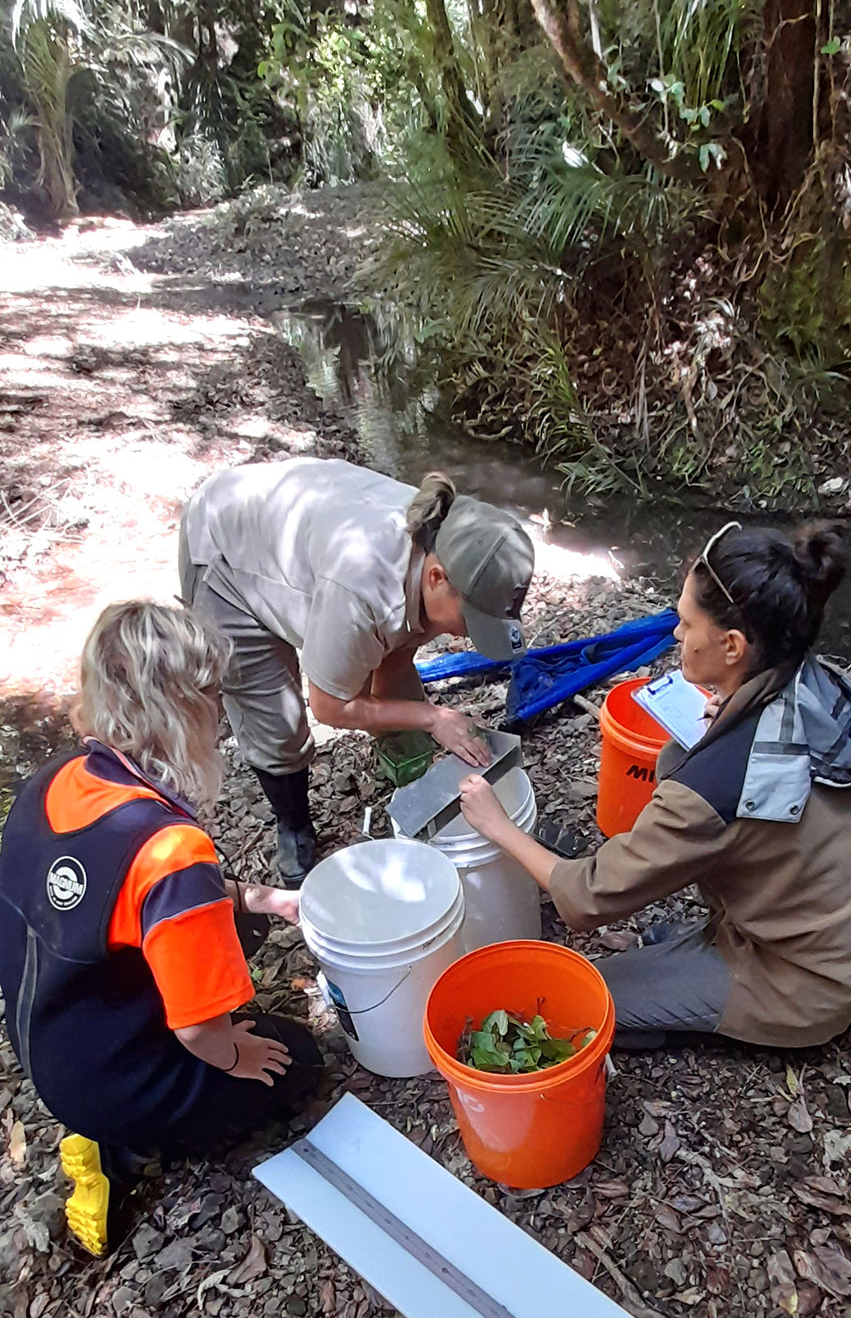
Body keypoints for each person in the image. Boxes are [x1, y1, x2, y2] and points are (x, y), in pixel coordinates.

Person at [458, 521, 851, 1051]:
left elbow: (589, 897)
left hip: (799, 984)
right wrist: (733, 716)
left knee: (573, 1004)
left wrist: (498, 826)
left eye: (687, 623)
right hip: (842, 939)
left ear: (733, 645)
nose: (675, 635)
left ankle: (723, 1017)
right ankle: (702, 962)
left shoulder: (715, 789)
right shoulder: (833, 691)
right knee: (679, 764)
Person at [0, 601, 323, 1256]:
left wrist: (261, 899)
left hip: (51, 1038)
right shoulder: (171, 849)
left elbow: (122, 899)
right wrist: (238, 1053)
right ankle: (128, 1153)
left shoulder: (53, 781)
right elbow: (200, 1029)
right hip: (117, 1079)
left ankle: (98, 1121)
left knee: (235, 930)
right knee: (300, 1063)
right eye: (212, 700)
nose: (222, 717)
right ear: (181, 713)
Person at [179, 457, 535, 884]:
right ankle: (294, 826)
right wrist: (431, 717)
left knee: (401, 697)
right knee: (278, 721)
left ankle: (407, 785)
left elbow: (403, 642)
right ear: (437, 577)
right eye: (471, 620)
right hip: (228, 555)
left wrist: (395, 715)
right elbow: (329, 707)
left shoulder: (447, 541)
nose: (465, 635)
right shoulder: (362, 587)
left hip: (299, 547)